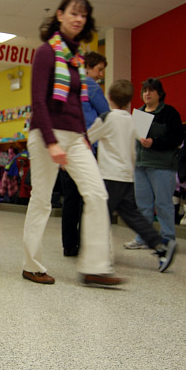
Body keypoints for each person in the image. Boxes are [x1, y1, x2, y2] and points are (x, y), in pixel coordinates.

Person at [22, 0, 122, 286]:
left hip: (76, 137)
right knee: (42, 200)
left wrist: (82, 139)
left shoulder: (76, 59)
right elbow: (38, 102)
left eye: (84, 15)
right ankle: (32, 265)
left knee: (96, 194)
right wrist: (52, 142)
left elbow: (77, 105)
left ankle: (94, 267)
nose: (79, 19)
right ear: (60, 15)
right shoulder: (46, 52)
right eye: (74, 13)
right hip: (45, 134)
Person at [88, 79, 177, 272]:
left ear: (109, 98)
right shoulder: (133, 119)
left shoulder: (105, 118)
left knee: (100, 215)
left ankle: (98, 257)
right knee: (132, 215)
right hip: (127, 176)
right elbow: (140, 142)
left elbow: (88, 139)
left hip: (109, 177)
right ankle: (161, 246)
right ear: (129, 101)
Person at [59, 51, 110, 257]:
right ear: (87, 67)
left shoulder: (65, 86)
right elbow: (106, 116)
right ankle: (85, 244)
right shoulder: (91, 85)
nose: (100, 75)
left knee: (70, 198)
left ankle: (69, 245)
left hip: (65, 148)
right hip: (85, 149)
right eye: (99, 69)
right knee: (87, 198)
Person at [124, 77, 183, 250]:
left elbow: (176, 138)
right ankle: (143, 238)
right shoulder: (139, 114)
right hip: (140, 165)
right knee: (142, 205)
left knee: (163, 203)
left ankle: (167, 239)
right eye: (144, 91)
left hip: (162, 166)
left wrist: (154, 142)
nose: (147, 93)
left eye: (151, 90)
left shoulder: (169, 113)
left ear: (160, 93)